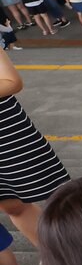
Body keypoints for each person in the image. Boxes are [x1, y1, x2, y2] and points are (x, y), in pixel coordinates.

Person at [0, 50, 68, 246]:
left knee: (59, 197)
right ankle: (54, 258)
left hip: (8, 134)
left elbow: (11, 81)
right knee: (11, 205)